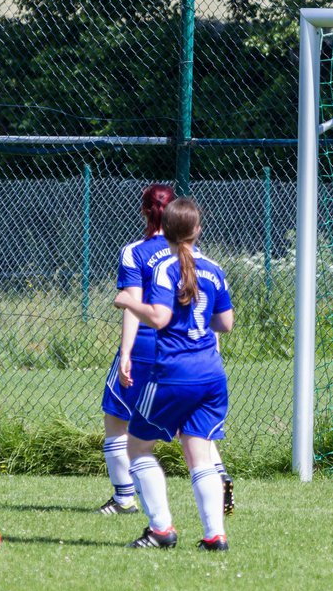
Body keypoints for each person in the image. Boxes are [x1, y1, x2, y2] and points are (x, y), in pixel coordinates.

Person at [99, 184, 233, 516]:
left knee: (119, 421)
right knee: (195, 430)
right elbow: (221, 321)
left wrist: (126, 353)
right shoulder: (210, 265)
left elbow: (140, 310)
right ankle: (218, 481)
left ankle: (125, 498)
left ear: (145, 211)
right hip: (201, 357)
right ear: (194, 227)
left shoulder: (139, 254)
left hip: (154, 348)